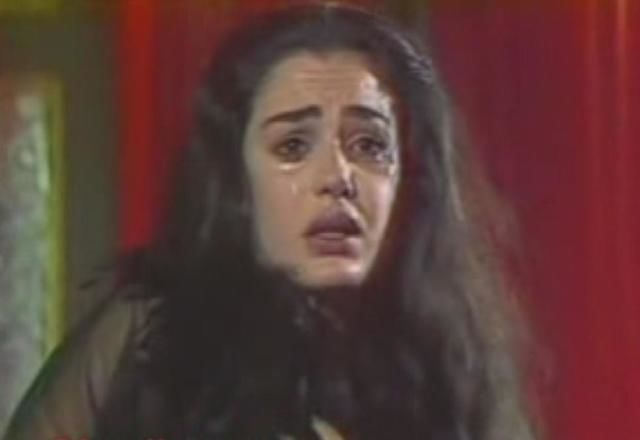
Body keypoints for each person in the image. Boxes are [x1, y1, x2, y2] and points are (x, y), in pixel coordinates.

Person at [3, 3, 537, 439]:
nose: (338, 177)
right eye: (293, 146)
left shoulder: (452, 368)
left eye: (369, 145)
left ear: (411, 178)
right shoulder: (147, 335)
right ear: (237, 179)